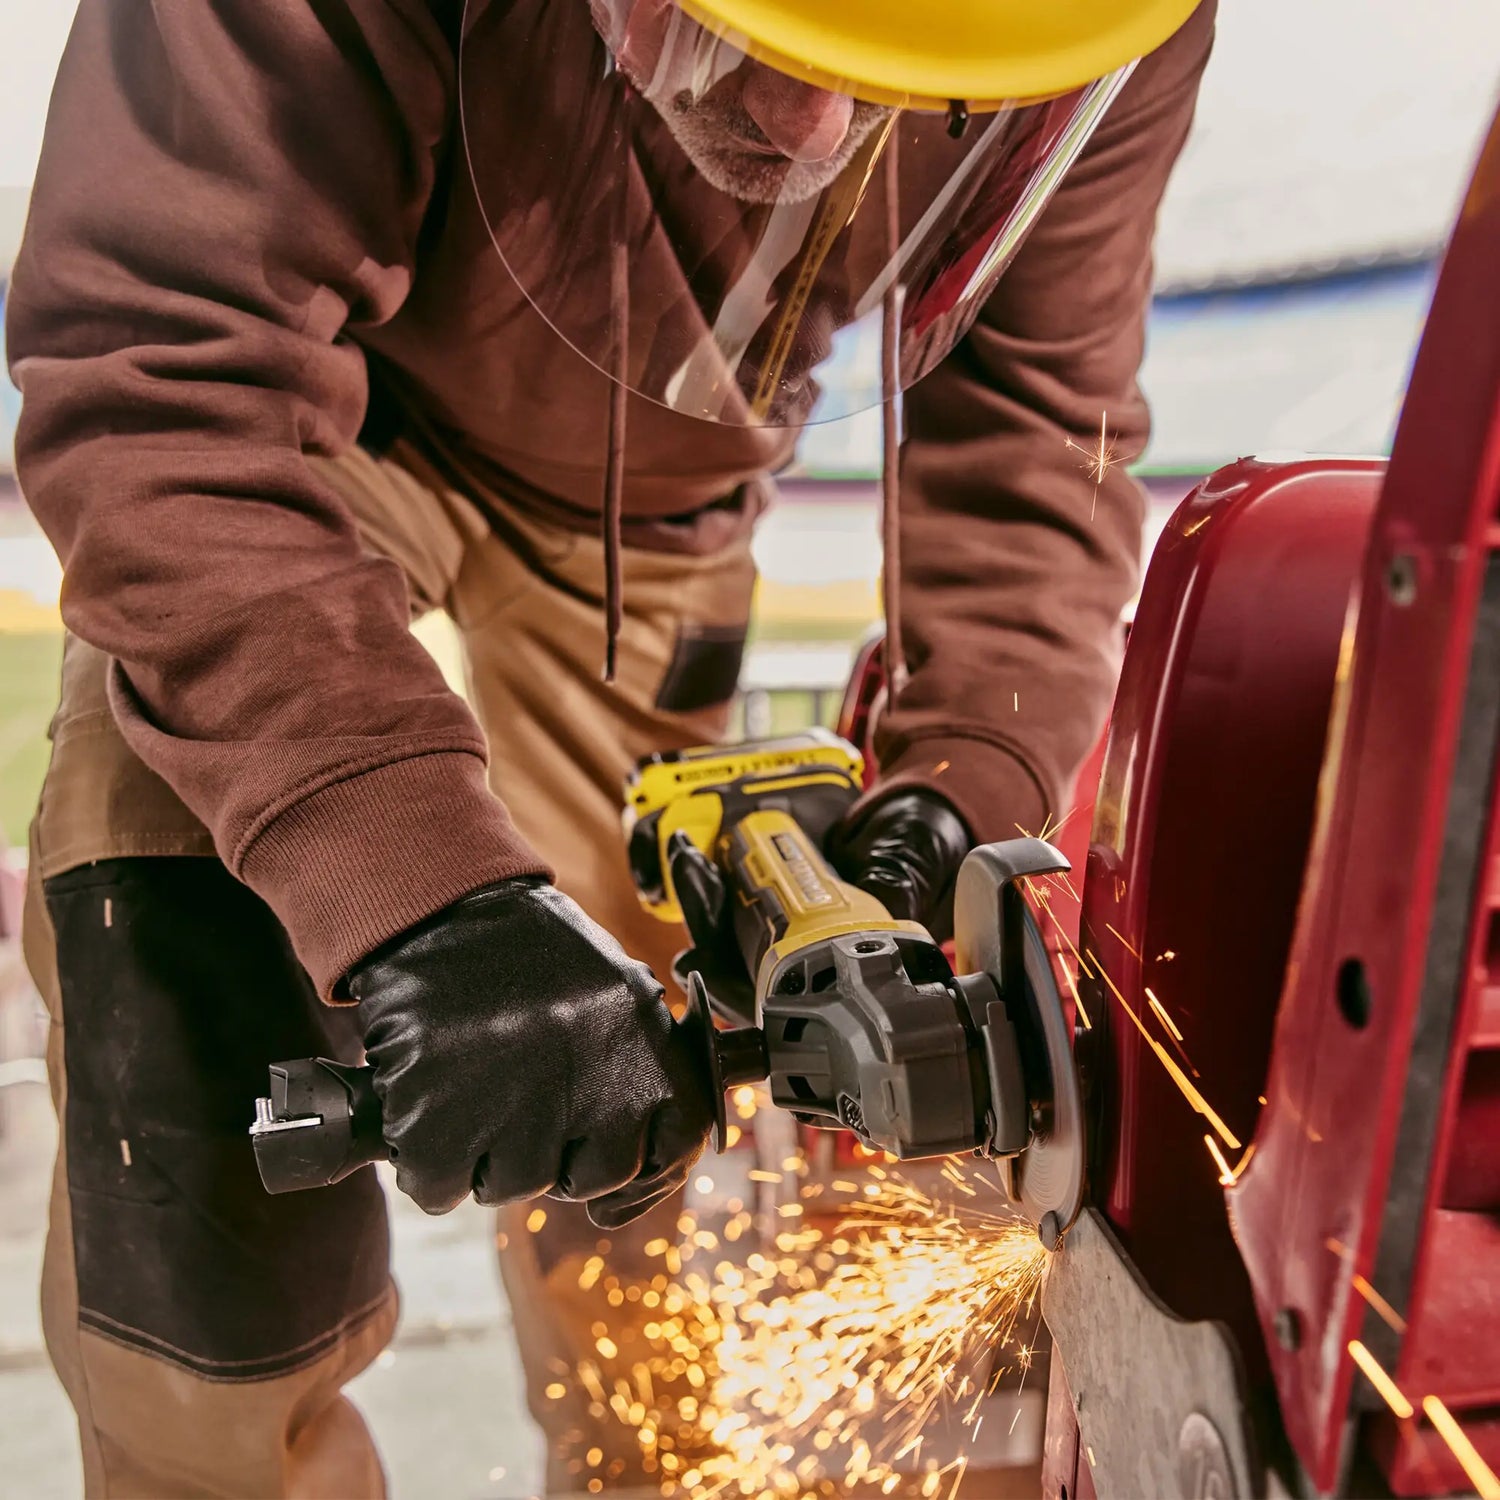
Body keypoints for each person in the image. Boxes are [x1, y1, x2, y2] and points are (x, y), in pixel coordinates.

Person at [7, 0, 1214, 1493]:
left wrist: (957, 791)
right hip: (307, 440)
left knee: (641, 1060)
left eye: (891, 90)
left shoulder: (1101, 20)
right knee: (172, 920)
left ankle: (651, 1465)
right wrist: (418, 891)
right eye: (747, 40)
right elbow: (164, 367)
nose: (812, 132)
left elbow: (1038, 422)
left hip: (654, 520)